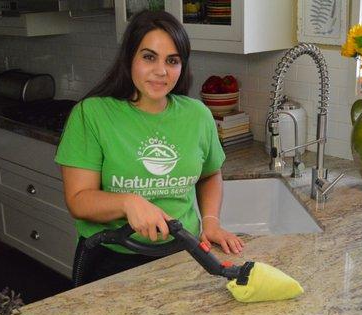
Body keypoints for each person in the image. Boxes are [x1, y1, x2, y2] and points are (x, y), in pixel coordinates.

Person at [55, 10, 244, 287]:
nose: (161, 71)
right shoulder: (92, 114)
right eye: (149, 57)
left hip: (183, 255)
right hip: (111, 260)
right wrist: (127, 202)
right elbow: (78, 200)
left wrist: (211, 223)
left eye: (172, 61)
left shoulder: (198, 115)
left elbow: (210, 174)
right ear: (129, 57)